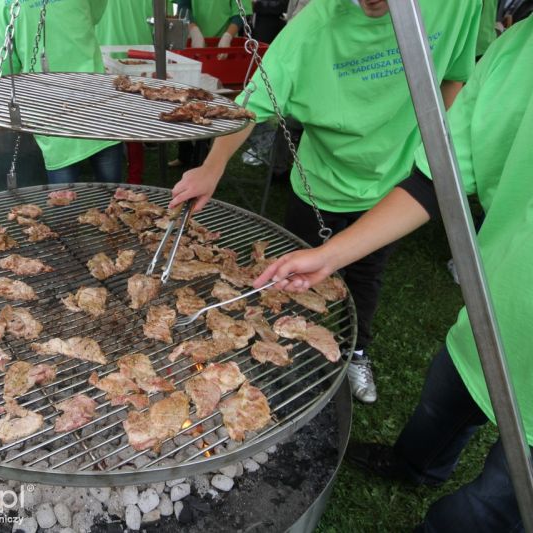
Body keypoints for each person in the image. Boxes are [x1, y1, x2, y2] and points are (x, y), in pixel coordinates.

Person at [259, 17, 533, 531]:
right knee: (441, 405)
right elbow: (439, 180)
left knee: (484, 511)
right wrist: (329, 255)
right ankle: (415, 466)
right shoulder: (519, 45)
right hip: (488, 316)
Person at [170, 0, 480, 404]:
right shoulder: (311, 28)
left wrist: (431, 147)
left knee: (367, 276)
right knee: (292, 282)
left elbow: (455, 76)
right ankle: (289, 355)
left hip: (397, 189)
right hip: (319, 185)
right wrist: (213, 167)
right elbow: (248, 106)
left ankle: (357, 351)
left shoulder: (458, 7)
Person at [0, 0, 123, 184]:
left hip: (49, 106)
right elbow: (94, 16)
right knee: (111, 185)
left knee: (63, 193)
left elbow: (2, 67)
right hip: (95, 96)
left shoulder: (2, 4)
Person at [170, 0, 254, 169]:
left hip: (222, 50)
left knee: (212, 101)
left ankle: (204, 158)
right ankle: (184, 155)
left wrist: (228, 36)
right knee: (186, 96)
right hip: (194, 45)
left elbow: (241, 12)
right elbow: (183, 4)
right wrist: (193, 29)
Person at [95, 0, 163, 185]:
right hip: (117, 55)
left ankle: (133, 177)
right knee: (127, 121)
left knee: (127, 121)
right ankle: (132, 177)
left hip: (133, 57)